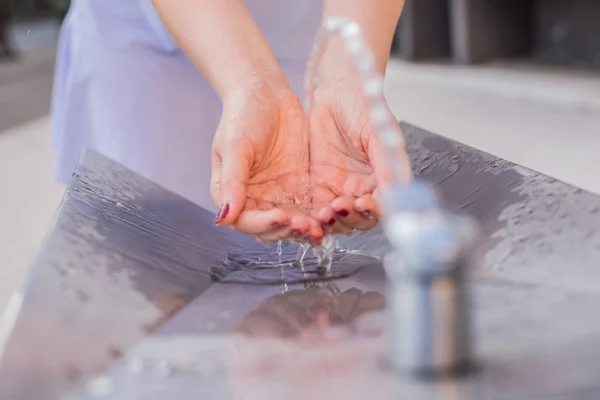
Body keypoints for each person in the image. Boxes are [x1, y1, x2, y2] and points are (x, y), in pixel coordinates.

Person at [51, 0, 409, 245]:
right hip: (143, 43)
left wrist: (347, 79)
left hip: (307, 24)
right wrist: (251, 85)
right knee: (153, 264)